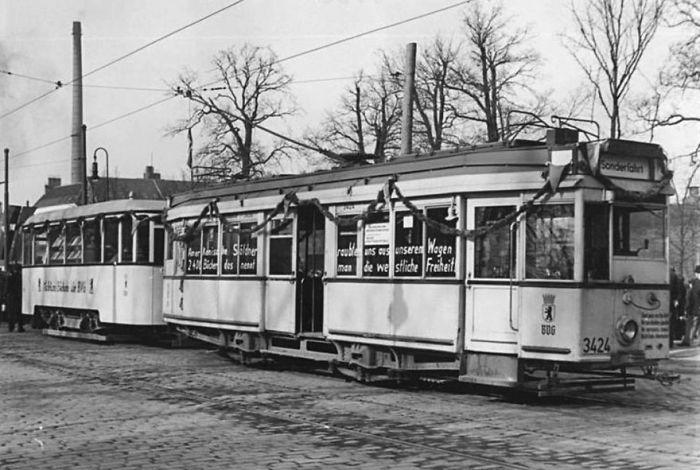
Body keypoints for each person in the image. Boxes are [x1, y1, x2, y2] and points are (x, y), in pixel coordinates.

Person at [682, 265, 700, 346]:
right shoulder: (694, 282)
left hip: (694, 308)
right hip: (696, 307)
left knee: (693, 324)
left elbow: (689, 296)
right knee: (696, 325)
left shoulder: (694, 283)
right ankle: (693, 340)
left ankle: (688, 340)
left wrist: (687, 307)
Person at [6, 264, 23, 333]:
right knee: (19, 312)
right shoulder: (20, 277)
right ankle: (20, 327)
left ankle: (11, 327)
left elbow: (7, 287)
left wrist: (6, 295)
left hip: (11, 296)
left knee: (11, 313)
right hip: (18, 296)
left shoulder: (10, 276)